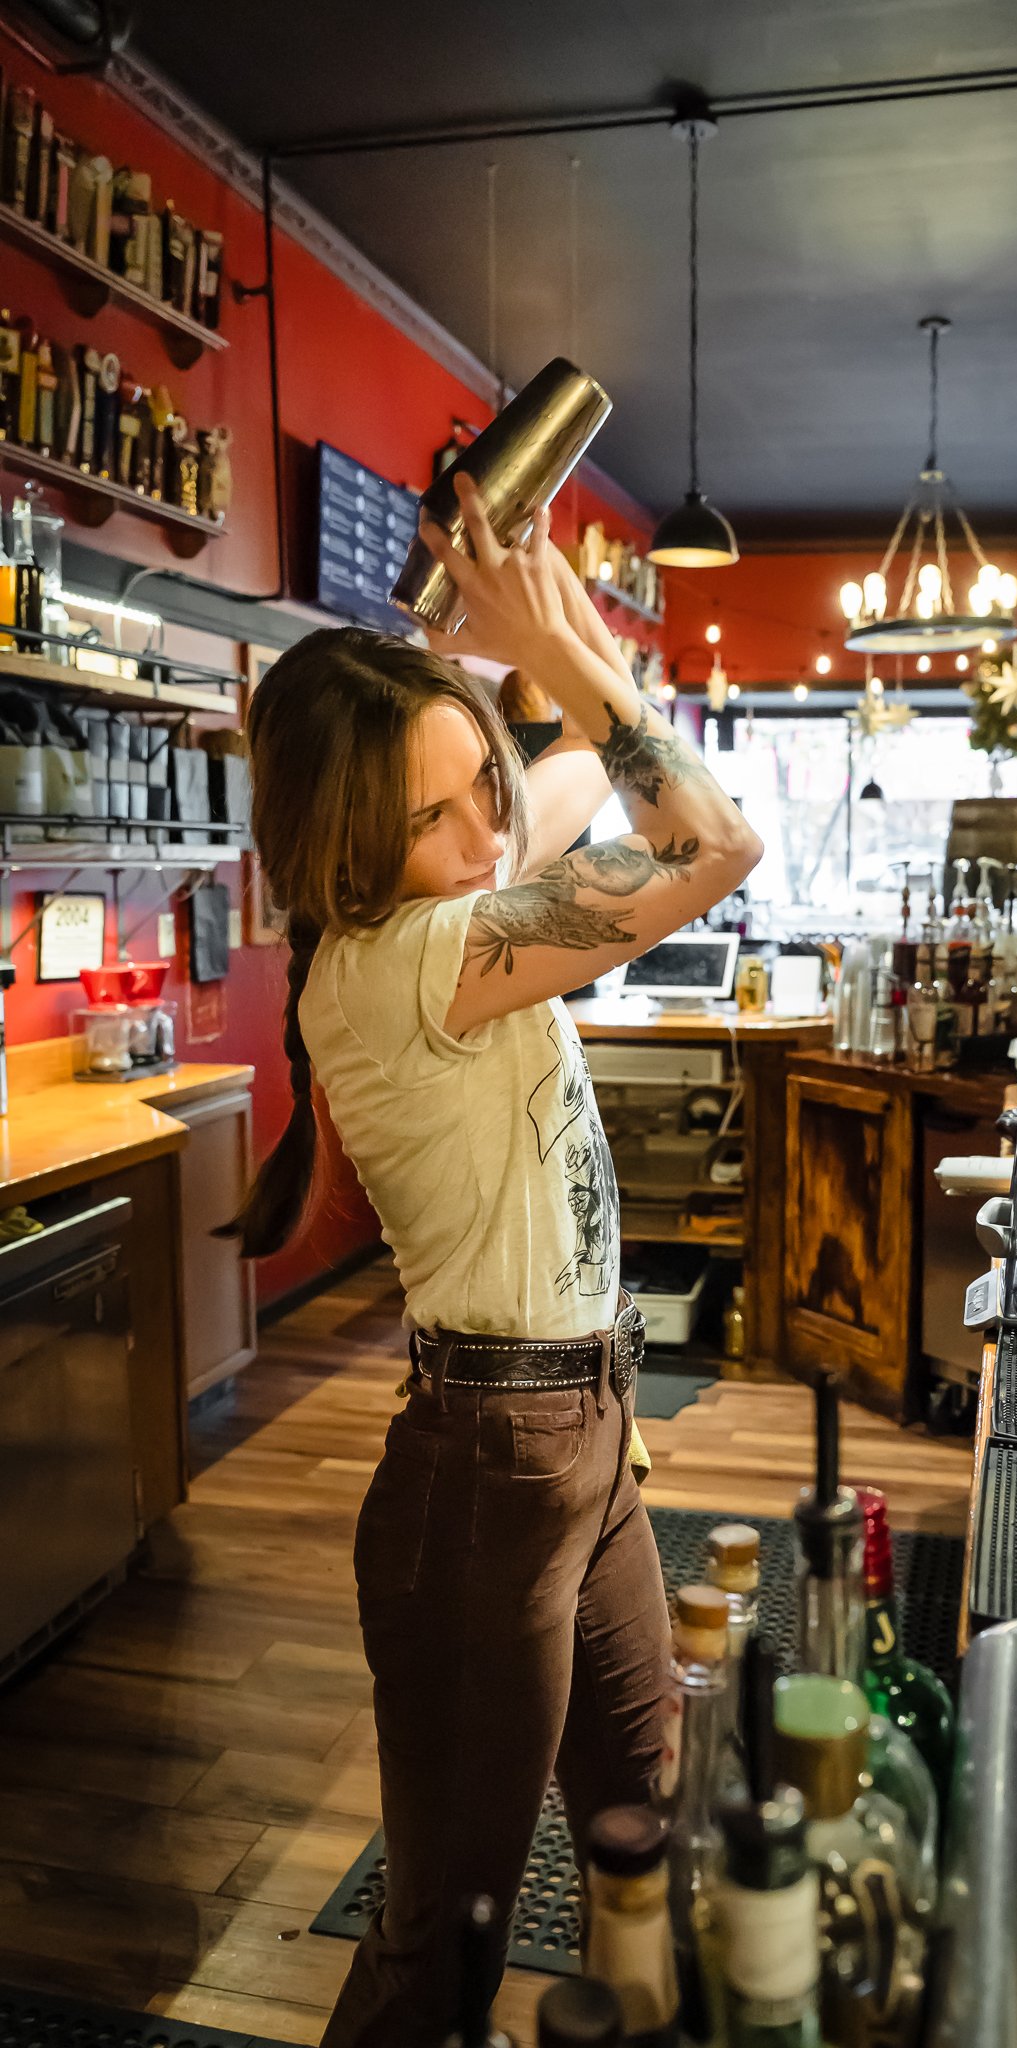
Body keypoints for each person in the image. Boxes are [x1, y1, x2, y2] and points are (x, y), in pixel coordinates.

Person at [223, 474, 763, 2048]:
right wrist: (553, 647)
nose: (486, 836)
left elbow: (585, 770)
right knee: (445, 1931)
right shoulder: (417, 959)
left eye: (485, 787)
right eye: (434, 813)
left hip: (571, 1433)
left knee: (635, 1813)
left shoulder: (450, 889)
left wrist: (557, 624)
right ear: (344, 836)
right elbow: (709, 837)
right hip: (492, 1462)